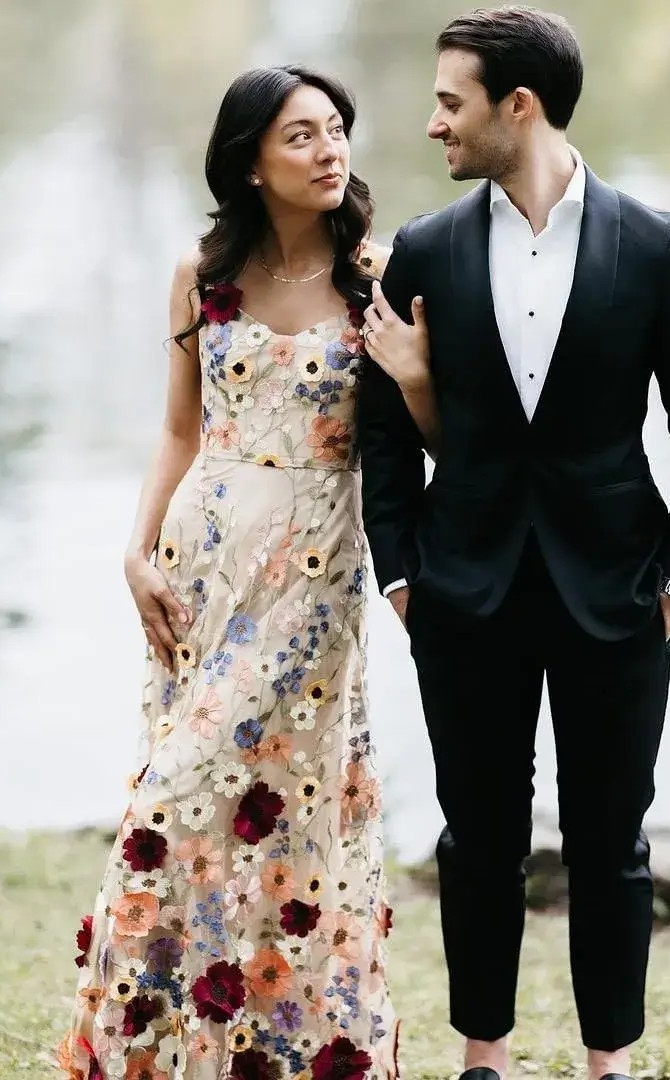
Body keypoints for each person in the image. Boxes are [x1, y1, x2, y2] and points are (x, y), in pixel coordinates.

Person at [357, 8, 670, 1080]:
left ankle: (607, 1062)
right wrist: (400, 572)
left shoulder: (656, 246)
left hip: (618, 592)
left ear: (515, 106)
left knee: (612, 843)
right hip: (461, 591)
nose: (434, 124)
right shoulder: (425, 252)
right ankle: (484, 1056)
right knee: (475, 839)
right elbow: (384, 437)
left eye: (450, 102)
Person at [56, 65, 435, 1080]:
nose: (329, 150)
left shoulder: (382, 274)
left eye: (336, 130)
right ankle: (178, 1053)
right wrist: (134, 551)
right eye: (301, 135)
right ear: (252, 162)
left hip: (311, 577)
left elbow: (435, 441)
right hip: (201, 567)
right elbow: (179, 427)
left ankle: (294, 1047)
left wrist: (414, 377)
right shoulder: (199, 274)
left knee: (210, 807)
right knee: (207, 809)